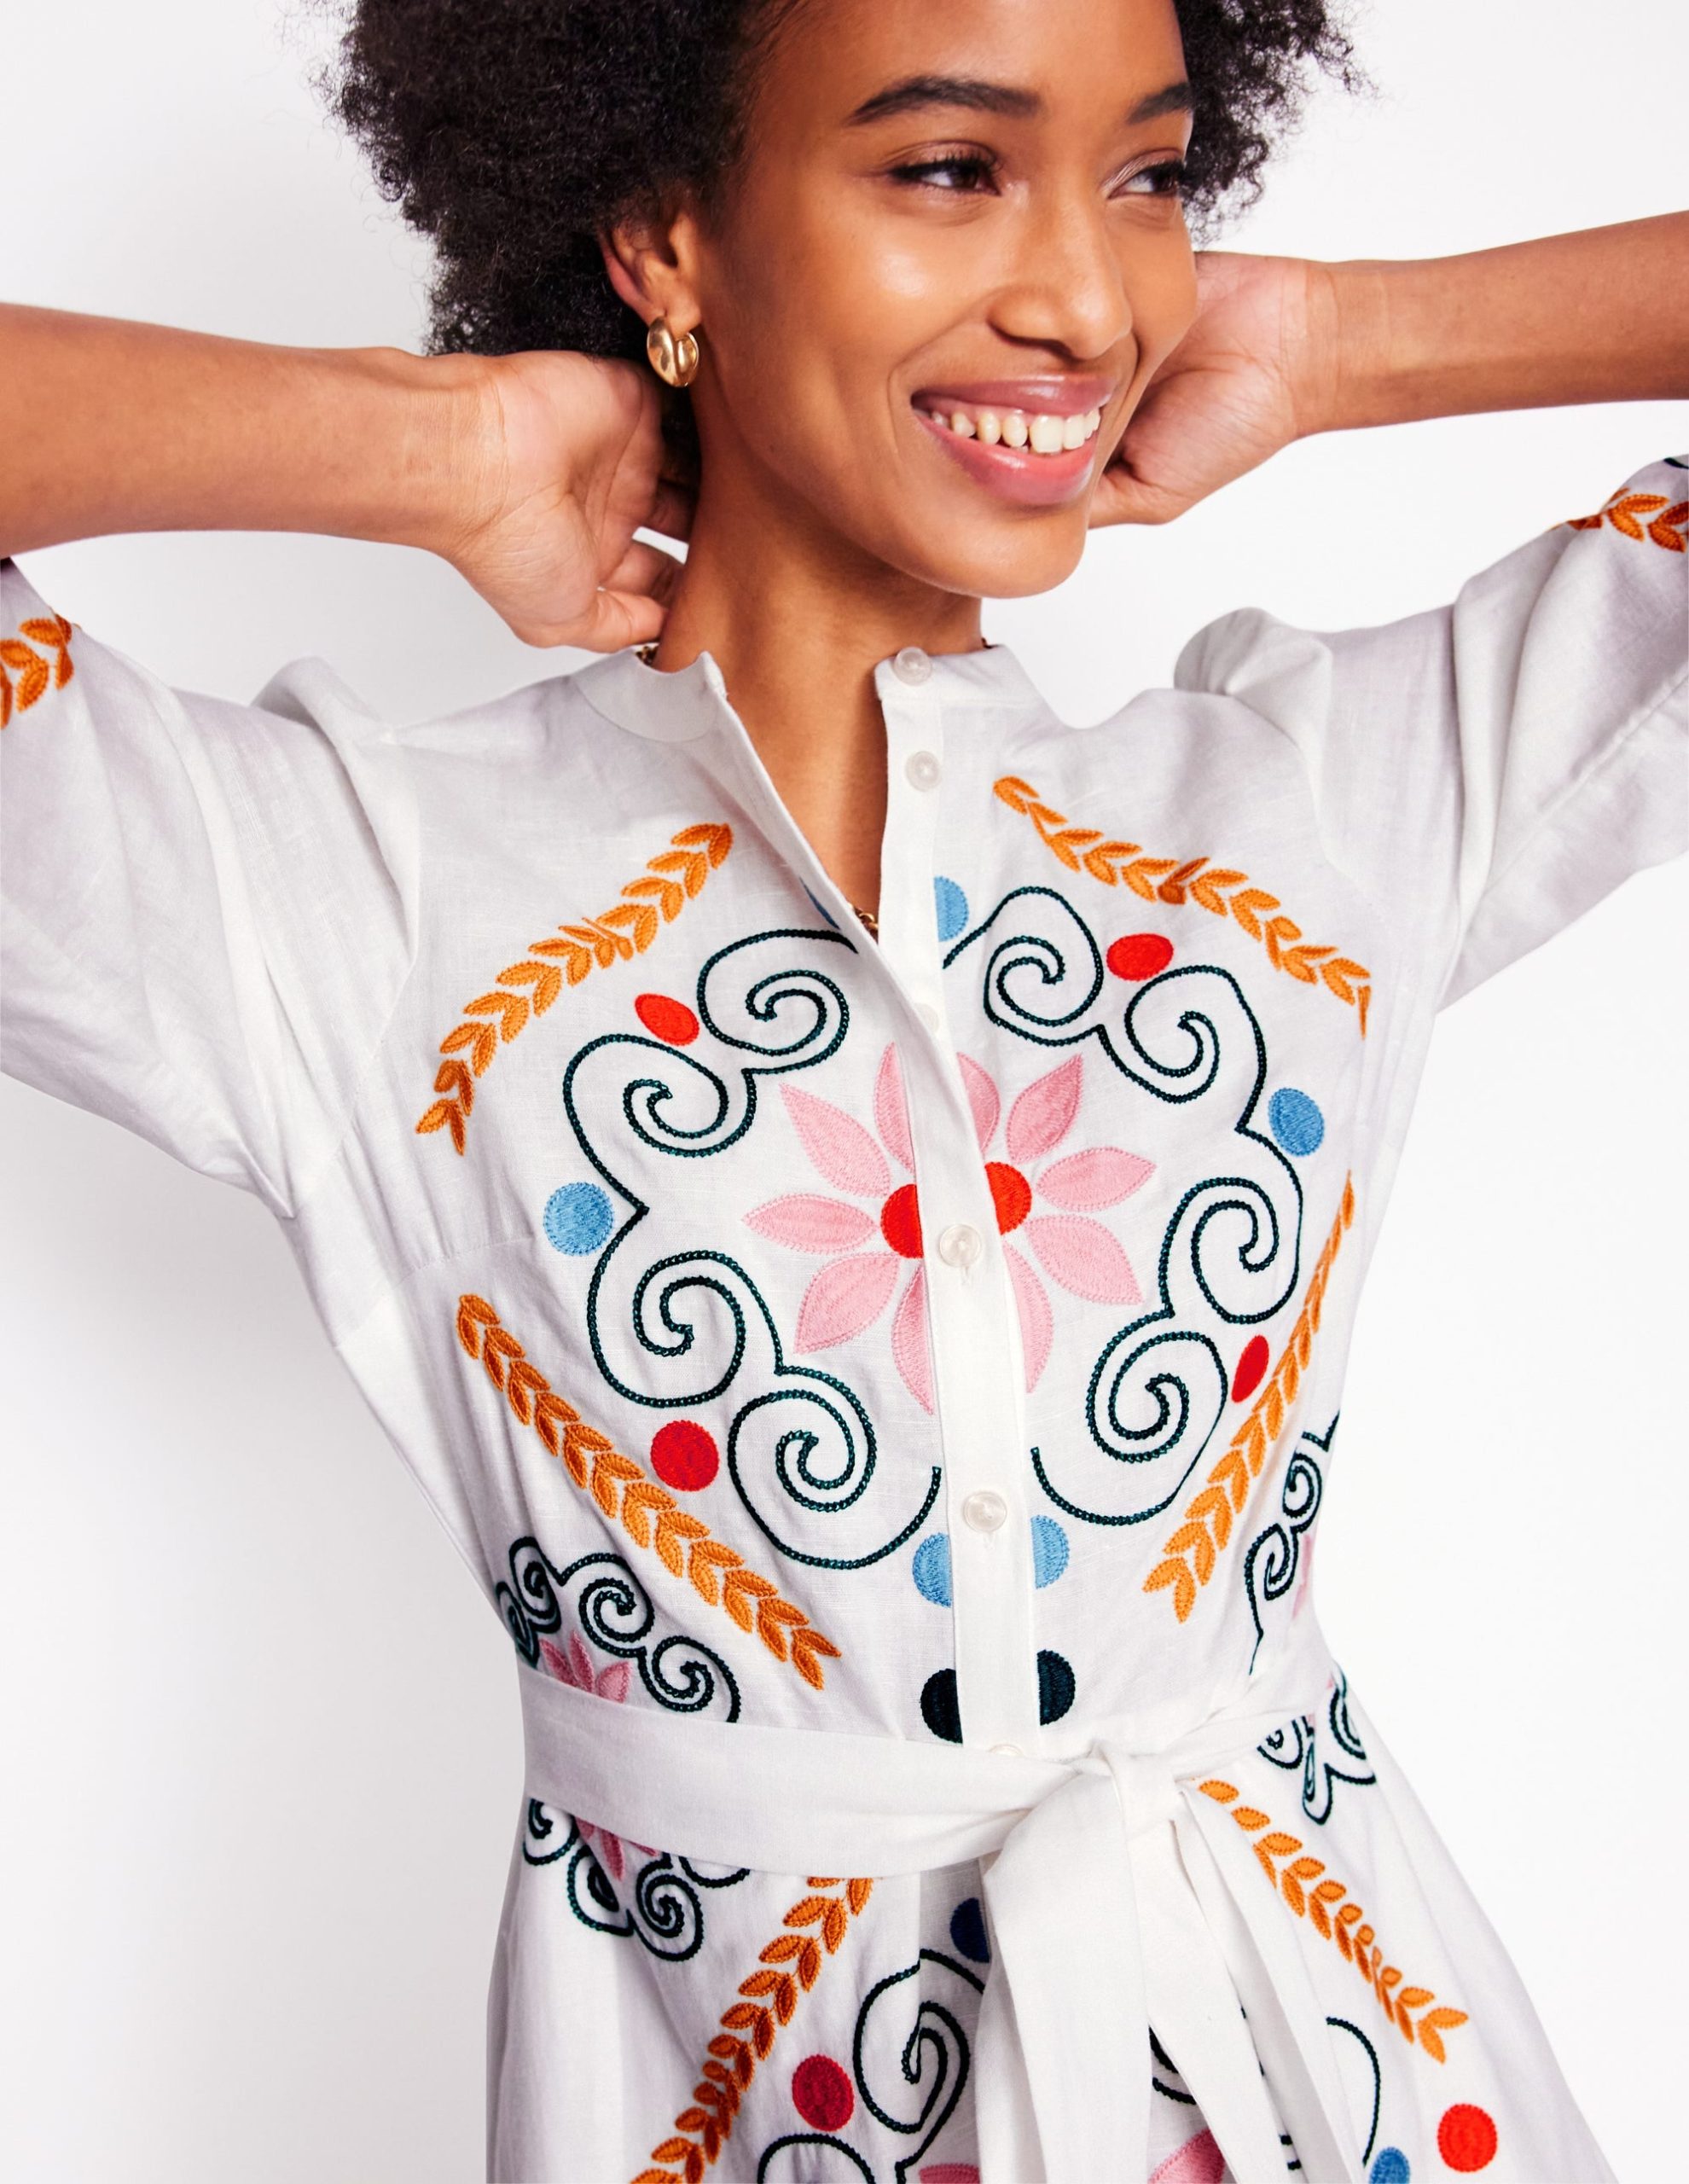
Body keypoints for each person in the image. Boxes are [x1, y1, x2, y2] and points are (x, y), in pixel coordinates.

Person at [2, 0, 1684, 2175]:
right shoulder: (353, 894)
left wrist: (1350, 343)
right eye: (951, 168)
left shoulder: (1319, 806)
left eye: (1148, 177)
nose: (1083, 298)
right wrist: (436, 446)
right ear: (665, 237)